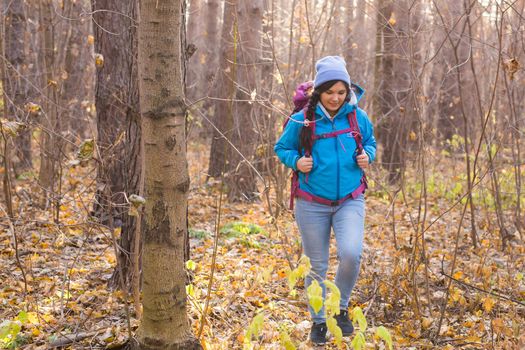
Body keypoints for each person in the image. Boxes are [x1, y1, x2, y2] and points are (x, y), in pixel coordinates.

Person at [274, 56, 376, 345]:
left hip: (350, 199)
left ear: (348, 91)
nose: (335, 98)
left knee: (351, 253)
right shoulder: (303, 119)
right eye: (330, 92)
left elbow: (370, 142)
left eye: (341, 92)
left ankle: (339, 308)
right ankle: (319, 322)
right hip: (311, 202)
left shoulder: (358, 116)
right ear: (319, 91)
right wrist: (296, 161)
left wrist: (368, 155)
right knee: (316, 265)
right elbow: (281, 147)